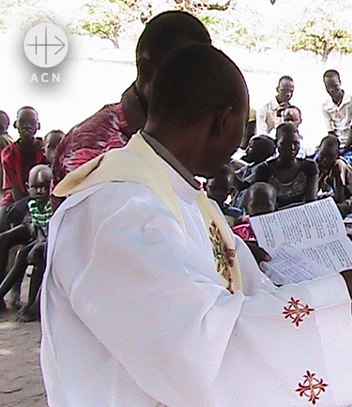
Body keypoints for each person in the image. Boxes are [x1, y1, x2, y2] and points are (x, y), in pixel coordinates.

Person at [9, 43, 352, 407]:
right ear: (224, 120)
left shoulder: (188, 199)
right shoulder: (114, 209)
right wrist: (341, 292)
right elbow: (203, 337)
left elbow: (265, 303)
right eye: (242, 128)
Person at [51, 11, 212, 196]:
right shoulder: (93, 145)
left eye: (200, 74)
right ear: (146, 70)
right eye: (179, 72)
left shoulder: (183, 136)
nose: (193, 85)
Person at [0, 164, 52, 320]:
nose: (39, 191)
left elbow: (50, 230)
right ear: (28, 187)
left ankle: (31, 304)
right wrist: (39, 240)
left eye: (44, 187)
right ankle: (2, 292)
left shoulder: (52, 204)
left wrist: (40, 243)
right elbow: (38, 228)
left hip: (52, 240)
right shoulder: (33, 205)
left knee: (33, 255)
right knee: (22, 252)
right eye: (35, 187)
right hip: (41, 237)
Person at [253, 123, 318, 209]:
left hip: (304, 216)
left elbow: (311, 202)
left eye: (296, 143)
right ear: (276, 143)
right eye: (285, 143)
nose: (292, 148)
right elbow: (261, 205)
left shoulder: (309, 167)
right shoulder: (264, 170)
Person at [1, 107, 47, 207]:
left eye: (32, 122)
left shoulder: (45, 151)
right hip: (16, 199)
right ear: (16, 124)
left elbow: (47, 185)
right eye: (22, 122)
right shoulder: (8, 153)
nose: (27, 126)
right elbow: (15, 190)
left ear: (38, 126)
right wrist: (23, 205)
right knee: (3, 217)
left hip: (43, 197)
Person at [316, 134, 352, 212]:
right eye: (322, 155)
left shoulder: (338, 165)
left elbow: (340, 198)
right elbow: (316, 189)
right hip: (340, 195)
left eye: (330, 156)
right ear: (318, 150)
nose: (325, 160)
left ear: (337, 155)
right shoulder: (319, 162)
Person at [321, 69, 352, 158]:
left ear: (340, 83)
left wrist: (344, 149)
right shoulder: (326, 106)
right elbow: (330, 131)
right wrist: (334, 149)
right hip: (335, 144)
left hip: (351, 143)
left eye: (335, 86)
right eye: (328, 87)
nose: (331, 90)